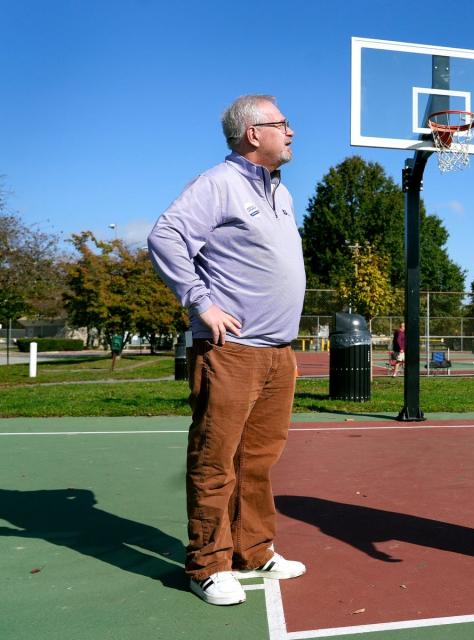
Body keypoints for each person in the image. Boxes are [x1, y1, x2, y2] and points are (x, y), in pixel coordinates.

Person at [147, 94, 307, 606]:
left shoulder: (280, 192)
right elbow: (166, 236)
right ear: (252, 133)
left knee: (258, 461)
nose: (292, 131)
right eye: (282, 123)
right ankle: (207, 564)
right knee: (216, 461)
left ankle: (253, 550)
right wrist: (201, 302)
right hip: (231, 349)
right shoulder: (219, 183)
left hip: (278, 352)